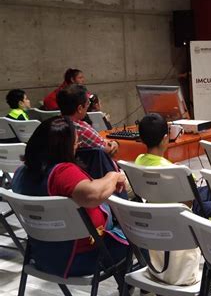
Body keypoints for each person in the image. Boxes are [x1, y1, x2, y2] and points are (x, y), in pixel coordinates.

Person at [11, 116, 127, 277]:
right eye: (75, 143)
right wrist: (113, 176)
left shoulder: (20, 172)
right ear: (63, 147)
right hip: (82, 257)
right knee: (138, 235)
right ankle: (140, 284)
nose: (77, 146)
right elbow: (93, 194)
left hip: (41, 256)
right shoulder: (62, 172)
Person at [134, 113, 201, 286]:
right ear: (166, 139)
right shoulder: (175, 173)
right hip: (176, 224)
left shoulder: (138, 161)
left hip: (152, 221)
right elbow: (188, 203)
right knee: (207, 199)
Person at [57, 84, 118, 156]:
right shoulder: (82, 129)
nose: (88, 107)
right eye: (88, 103)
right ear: (79, 108)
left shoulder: (52, 125)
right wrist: (115, 143)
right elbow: (109, 149)